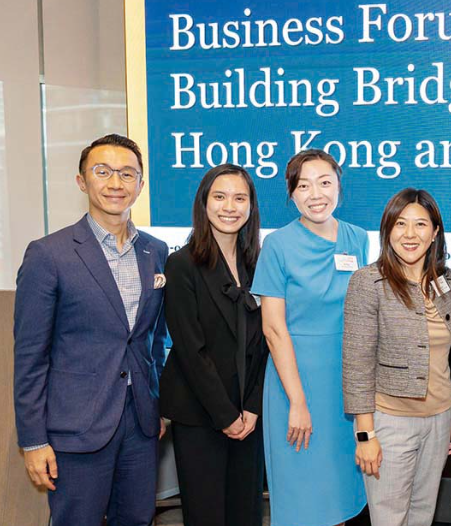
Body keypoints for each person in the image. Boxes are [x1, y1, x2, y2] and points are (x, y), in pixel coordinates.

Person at [13, 134, 169, 526]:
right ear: (82, 181)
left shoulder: (155, 251)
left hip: (140, 425)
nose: (116, 183)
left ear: (140, 185)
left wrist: (158, 406)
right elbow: (30, 356)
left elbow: (153, 339)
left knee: (137, 519)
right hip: (76, 427)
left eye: (127, 174)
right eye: (103, 172)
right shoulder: (49, 254)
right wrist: (33, 439)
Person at [251, 149, 367, 525]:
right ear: (291, 193)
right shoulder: (277, 245)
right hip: (295, 382)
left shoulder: (357, 239)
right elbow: (273, 329)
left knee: (343, 494)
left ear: (339, 187)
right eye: (303, 186)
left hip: (345, 385)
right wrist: (298, 401)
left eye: (325, 183)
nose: (316, 194)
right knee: (302, 499)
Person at [343, 188, 451, 525]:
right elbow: (356, 364)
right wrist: (365, 435)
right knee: (389, 518)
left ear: (435, 232)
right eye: (400, 224)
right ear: (387, 230)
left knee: (422, 516)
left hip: (440, 420)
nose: (410, 234)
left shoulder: (449, 282)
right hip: (390, 423)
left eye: (420, 224)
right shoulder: (368, 282)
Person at [159, 165, 268, 526]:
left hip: (249, 416)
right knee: (206, 516)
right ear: (204, 203)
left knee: (246, 514)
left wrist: (252, 407)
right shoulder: (182, 264)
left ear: (251, 206)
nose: (230, 207)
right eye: (220, 197)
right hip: (200, 413)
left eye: (240, 198)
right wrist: (226, 416)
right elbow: (190, 350)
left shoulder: (258, 264)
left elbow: (266, 343)